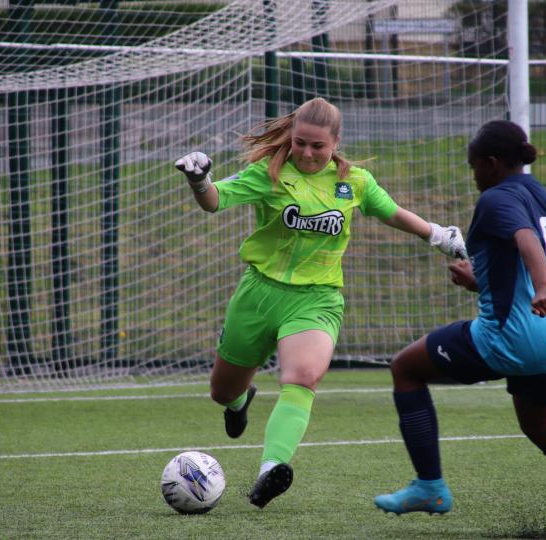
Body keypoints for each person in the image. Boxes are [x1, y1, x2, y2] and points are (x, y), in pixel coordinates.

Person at [175, 97, 467, 509]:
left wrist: (438, 235)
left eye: (318, 146)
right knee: (222, 391)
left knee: (303, 377)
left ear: (336, 142)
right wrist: (199, 182)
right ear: (291, 139)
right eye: (300, 143)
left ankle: (269, 469)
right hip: (259, 294)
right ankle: (239, 403)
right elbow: (215, 200)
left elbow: (393, 213)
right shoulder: (269, 174)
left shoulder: (355, 182)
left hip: (317, 299)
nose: (308, 153)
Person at [372, 120, 546, 535]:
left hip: (517, 333)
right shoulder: (537, 191)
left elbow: (526, 242)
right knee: (539, 425)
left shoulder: (496, 198)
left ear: (491, 163)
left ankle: (429, 486)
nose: (473, 176)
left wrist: (540, 288)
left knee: (406, 368)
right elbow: (524, 255)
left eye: (473, 167)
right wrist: (480, 282)